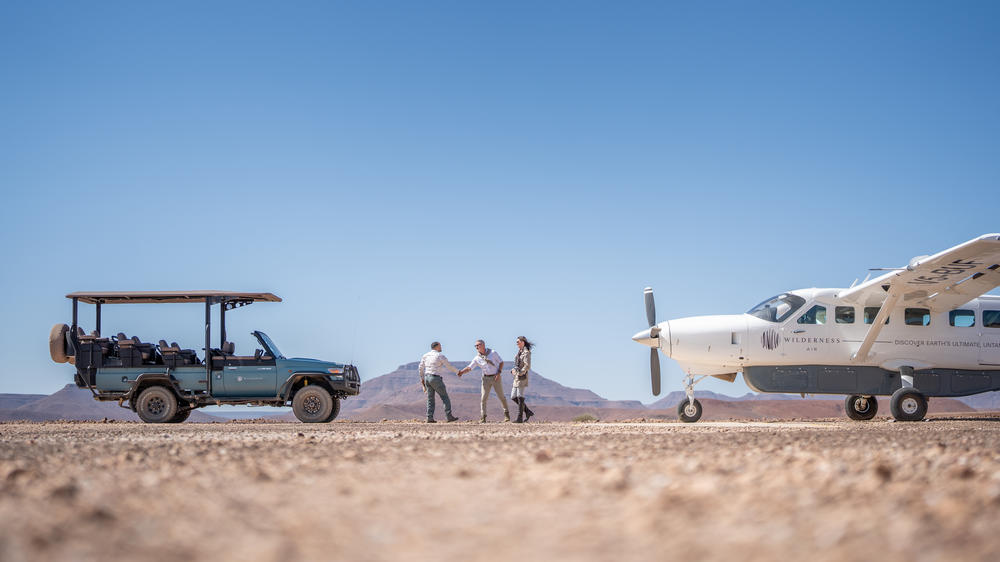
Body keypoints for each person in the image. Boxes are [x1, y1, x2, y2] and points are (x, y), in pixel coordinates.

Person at [457, 339, 509, 423]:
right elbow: (470, 367)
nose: (476, 347)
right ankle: (483, 417)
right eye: (475, 346)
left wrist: (498, 373)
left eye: (478, 345)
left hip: (496, 377)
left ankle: (507, 416)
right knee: (483, 398)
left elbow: (501, 362)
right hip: (486, 379)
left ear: (483, 345)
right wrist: (462, 372)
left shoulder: (493, 353)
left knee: (501, 396)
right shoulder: (477, 358)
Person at [418, 342, 460, 423]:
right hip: (435, 378)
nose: (441, 348)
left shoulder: (425, 355)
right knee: (444, 397)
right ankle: (449, 416)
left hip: (427, 377)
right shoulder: (440, 356)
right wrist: (458, 372)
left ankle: (429, 417)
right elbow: (449, 366)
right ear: (437, 347)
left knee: (430, 399)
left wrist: (422, 378)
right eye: (440, 346)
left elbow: (420, 367)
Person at [510, 336, 535, 423]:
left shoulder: (526, 352)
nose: (516, 343)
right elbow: (516, 364)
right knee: (513, 396)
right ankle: (528, 412)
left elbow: (527, 365)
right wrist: (513, 370)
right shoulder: (519, 352)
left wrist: (521, 372)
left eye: (518, 342)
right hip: (516, 377)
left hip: (522, 376)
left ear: (523, 342)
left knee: (520, 396)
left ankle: (519, 418)